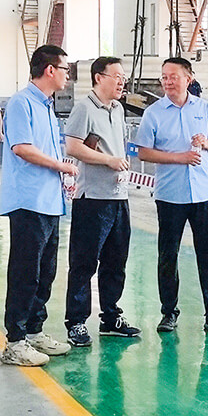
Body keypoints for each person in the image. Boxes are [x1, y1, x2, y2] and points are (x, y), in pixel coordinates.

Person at [135, 57, 208, 334]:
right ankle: (168, 312)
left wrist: (206, 143)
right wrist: (180, 158)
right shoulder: (153, 113)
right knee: (168, 255)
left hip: (202, 194)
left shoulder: (203, 108)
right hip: (170, 195)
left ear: (189, 79)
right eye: (164, 77)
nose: (167, 82)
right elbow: (144, 152)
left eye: (173, 76)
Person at [0, 45, 77, 366]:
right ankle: (15, 341)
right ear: (50, 70)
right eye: (65, 69)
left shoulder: (46, 106)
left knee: (45, 272)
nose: (68, 76)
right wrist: (61, 166)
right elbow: (21, 147)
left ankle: (34, 331)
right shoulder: (22, 103)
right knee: (25, 272)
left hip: (49, 201)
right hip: (28, 201)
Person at [62, 56, 140, 347]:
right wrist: (108, 160)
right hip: (92, 199)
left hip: (118, 196)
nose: (122, 82)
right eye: (116, 76)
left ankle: (110, 317)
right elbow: (73, 147)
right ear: (98, 77)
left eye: (123, 77)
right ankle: (76, 322)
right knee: (84, 262)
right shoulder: (84, 107)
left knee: (115, 261)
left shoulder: (117, 109)